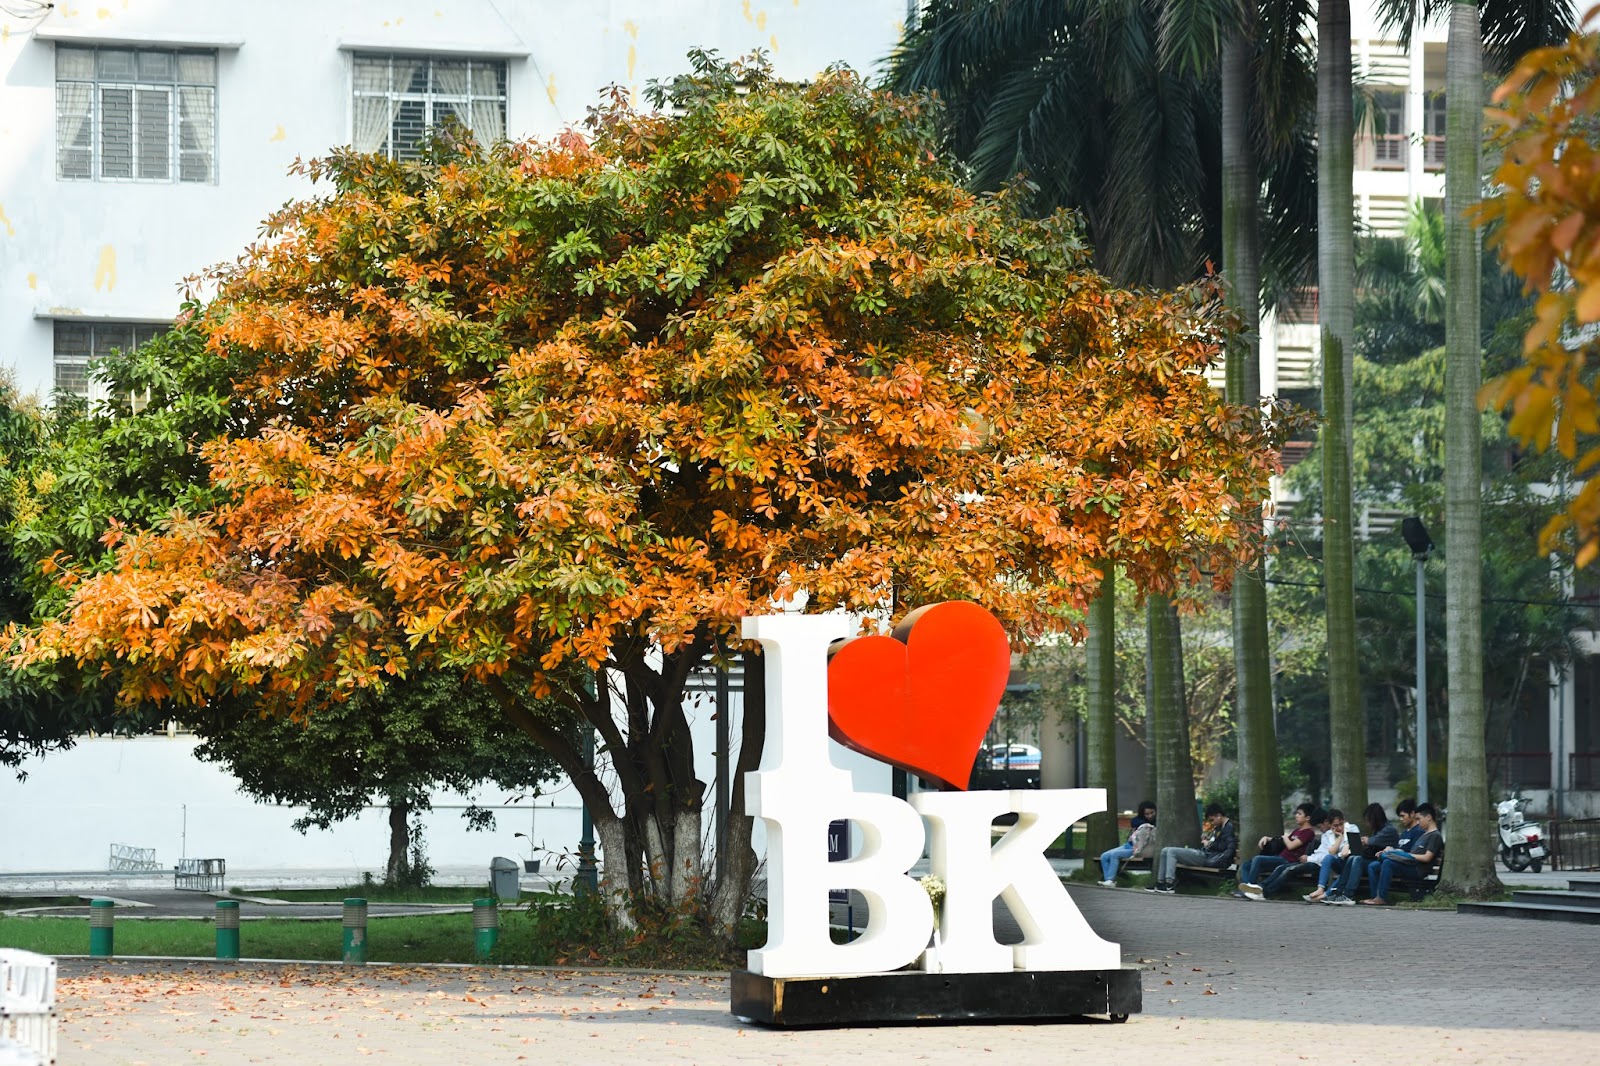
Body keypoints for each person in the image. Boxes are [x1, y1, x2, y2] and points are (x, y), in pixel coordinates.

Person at [1321, 801, 1403, 905]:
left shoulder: (1388, 830)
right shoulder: (1377, 830)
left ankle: (1348, 894)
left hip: (1383, 861)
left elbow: (1375, 841)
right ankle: (1339, 891)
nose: (1367, 823)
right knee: (1353, 858)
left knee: (1357, 859)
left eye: (1368, 820)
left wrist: (1366, 841)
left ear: (1374, 819)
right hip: (1375, 859)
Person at [1362, 801, 1444, 905]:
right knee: (1374, 865)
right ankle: (1375, 897)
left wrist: (1406, 855)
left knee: (1388, 862)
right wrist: (1395, 851)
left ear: (1428, 817)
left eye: (1419, 819)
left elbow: (1427, 857)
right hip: (1409, 864)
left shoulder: (1435, 836)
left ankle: (1381, 898)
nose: (1418, 823)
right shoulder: (1425, 835)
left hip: (1418, 869)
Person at [1147, 803, 1237, 894]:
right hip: (1205, 854)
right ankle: (1161, 882)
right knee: (1164, 850)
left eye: (1212, 820)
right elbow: (1218, 844)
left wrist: (1209, 844)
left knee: (1171, 851)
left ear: (1219, 816)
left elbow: (1228, 848)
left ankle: (1169, 884)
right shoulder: (1219, 827)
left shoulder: (1228, 828)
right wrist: (1208, 840)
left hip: (1207, 857)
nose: (1212, 822)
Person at [1233, 802, 1316, 899]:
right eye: (1296, 813)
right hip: (1280, 857)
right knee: (1246, 865)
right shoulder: (1297, 831)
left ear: (1307, 818)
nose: (1296, 816)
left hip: (1288, 861)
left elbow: (1290, 846)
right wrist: (1268, 838)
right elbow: (1282, 840)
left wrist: (1285, 837)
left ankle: (1250, 888)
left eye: (1299, 814)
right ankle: (1248, 890)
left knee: (1258, 859)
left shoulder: (1308, 832)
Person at [1098, 801, 1157, 886]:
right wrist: (1144, 824)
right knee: (1104, 856)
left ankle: (1110, 880)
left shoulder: (1156, 821)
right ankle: (1108, 880)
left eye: (1152, 813)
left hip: (1137, 849)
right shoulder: (1140, 820)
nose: (1150, 816)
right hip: (1128, 845)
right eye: (1147, 814)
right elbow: (1133, 822)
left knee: (1115, 854)